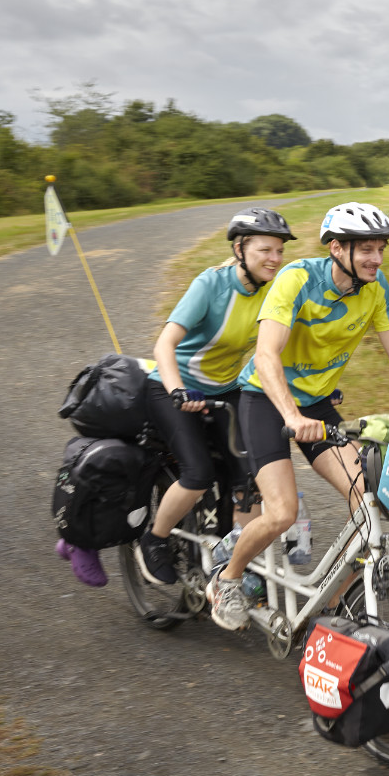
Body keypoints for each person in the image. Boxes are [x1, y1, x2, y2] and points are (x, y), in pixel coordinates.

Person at [206, 201, 389, 631]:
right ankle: (228, 579)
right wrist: (290, 415)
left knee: (370, 502)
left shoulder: (376, 287)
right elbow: (266, 355)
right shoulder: (297, 279)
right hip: (265, 399)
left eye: (380, 249)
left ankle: (336, 595)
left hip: (317, 404)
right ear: (337, 248)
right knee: (282, 512)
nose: (376, 259)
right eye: (366, 249)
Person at [133, 207, 296, 586]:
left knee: (249, 477)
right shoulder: (211, 285)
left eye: (279, 251)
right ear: (240, 248)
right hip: (172, 387)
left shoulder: (273, 292)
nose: (274, 259)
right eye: (265, 250)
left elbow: (275, 351)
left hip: (227, 390)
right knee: (198, 473)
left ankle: (236, 563)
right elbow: (165, 344)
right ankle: (153, 539)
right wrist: (177, 391)